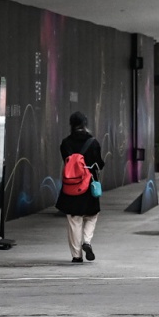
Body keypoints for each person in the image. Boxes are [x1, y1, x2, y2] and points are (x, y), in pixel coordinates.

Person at [56, 112, 103, 263]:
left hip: (71, 185)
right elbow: (99, 163)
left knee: (74, 219)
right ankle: (87, 242)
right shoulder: (93, 142)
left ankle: (76, 256)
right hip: (88, 184)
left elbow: (66, 162)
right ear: (85, 123)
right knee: (92, 215)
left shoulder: (65, 143)